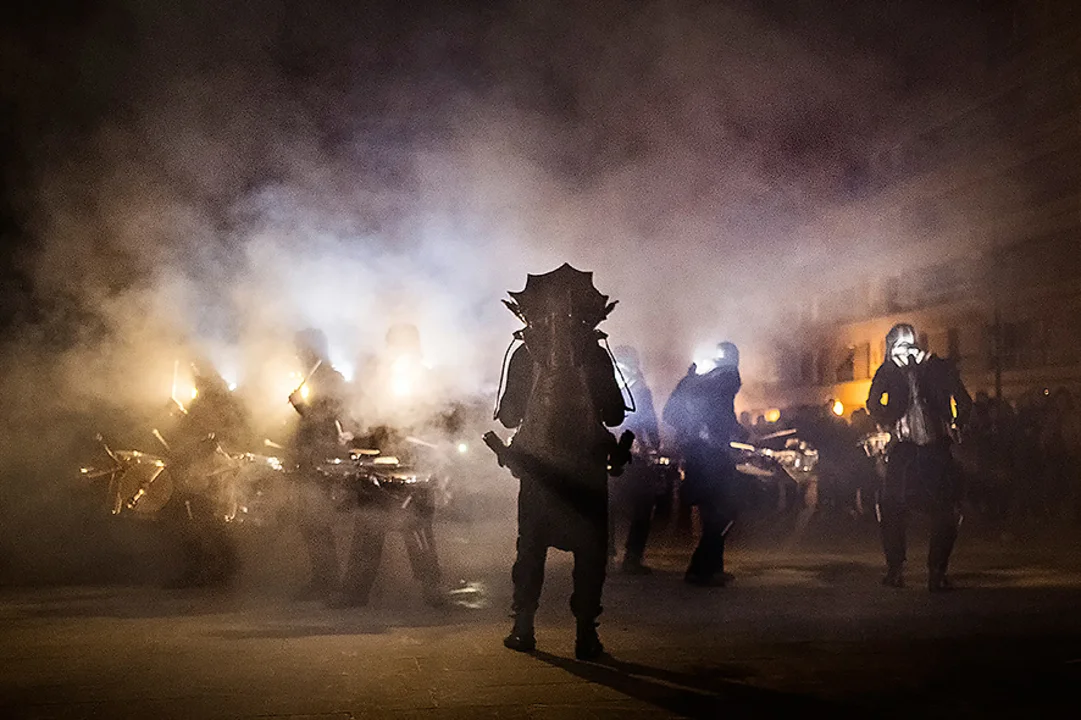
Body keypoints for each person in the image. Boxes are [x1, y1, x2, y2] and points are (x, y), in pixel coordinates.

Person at [492, 264, 627, 660]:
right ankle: (586, 636)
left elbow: (509, 417)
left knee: (531, 549)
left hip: (538, 470)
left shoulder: (524, 353)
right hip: (587, 471)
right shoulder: (595, 354)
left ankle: (523, 628)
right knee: (590, 553)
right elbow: (614, 415)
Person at [867, 323, 971, 592]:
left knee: (891, 507)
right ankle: (935, 572)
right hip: (934, 448)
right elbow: (964, 401)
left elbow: (873, 404)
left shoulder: (889, 368)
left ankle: (896, 571)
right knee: (946, 510)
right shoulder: (938, 365)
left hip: (906, 450)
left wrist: (888, 421)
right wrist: (956, 426)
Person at [161, 362, 253, 588]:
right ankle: (207, 570)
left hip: (211, 471)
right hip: (200, 470)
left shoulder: (217, 402)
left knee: (209, 523)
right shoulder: (208, 401)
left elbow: (212, 435)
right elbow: (197, 430)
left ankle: (218, 570)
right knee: (198, 522)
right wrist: (180, 414)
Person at [663, 341, 746, 587]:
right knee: (725, 511)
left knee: (714, 513)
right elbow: (719, 414)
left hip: (699, 455)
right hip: (711, 457)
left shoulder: (694, 381)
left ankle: (713, 568)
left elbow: (670, 414)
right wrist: (718, 433)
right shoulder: (724, 379)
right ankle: (700, 568)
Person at [289, 328, 351, 602]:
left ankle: (327, 579)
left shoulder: (331, 379)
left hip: (323, 460)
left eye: (301, 351)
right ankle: (322, 577)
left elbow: (325, 422)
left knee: (317, 520)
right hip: (310, 458)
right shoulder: (316, 378)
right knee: (309, 522)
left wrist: (301, 406)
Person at [609, 345, 662, 574]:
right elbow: (650, 424)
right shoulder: (640, 389)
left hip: (608, 453)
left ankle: (605, 554)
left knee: (608, 505)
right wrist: (654, 445)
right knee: (642, 506)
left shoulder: (604, 386)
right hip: (634, 456)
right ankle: (631, 557)